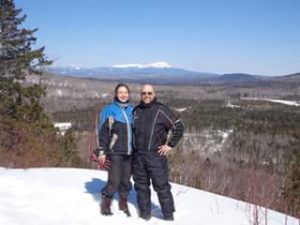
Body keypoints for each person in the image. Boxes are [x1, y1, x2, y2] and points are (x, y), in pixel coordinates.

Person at [132, 84, 184, 221]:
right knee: (141, 187)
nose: (147, 96)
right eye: (144, 93)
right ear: (140, 95)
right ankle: (145, 215)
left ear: (154, 94)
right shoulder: (136, 111)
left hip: (155, 155)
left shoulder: (161, 110)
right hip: (138, 156)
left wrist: (170, 145)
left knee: (161, 187)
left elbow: (178, 127)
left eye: (149, 93)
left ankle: (168, 216)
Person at [96, 83, 133, 216]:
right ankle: (106, 202)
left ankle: (123, 201)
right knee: (114, 179)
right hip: (115, 151)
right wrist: (102, 151)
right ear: (116, 94)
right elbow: (102, 132)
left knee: (126, 180)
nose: (123, 95)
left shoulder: (132, 110)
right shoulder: (109, 110)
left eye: (125, 92)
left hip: (130, 152)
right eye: (120, 92)